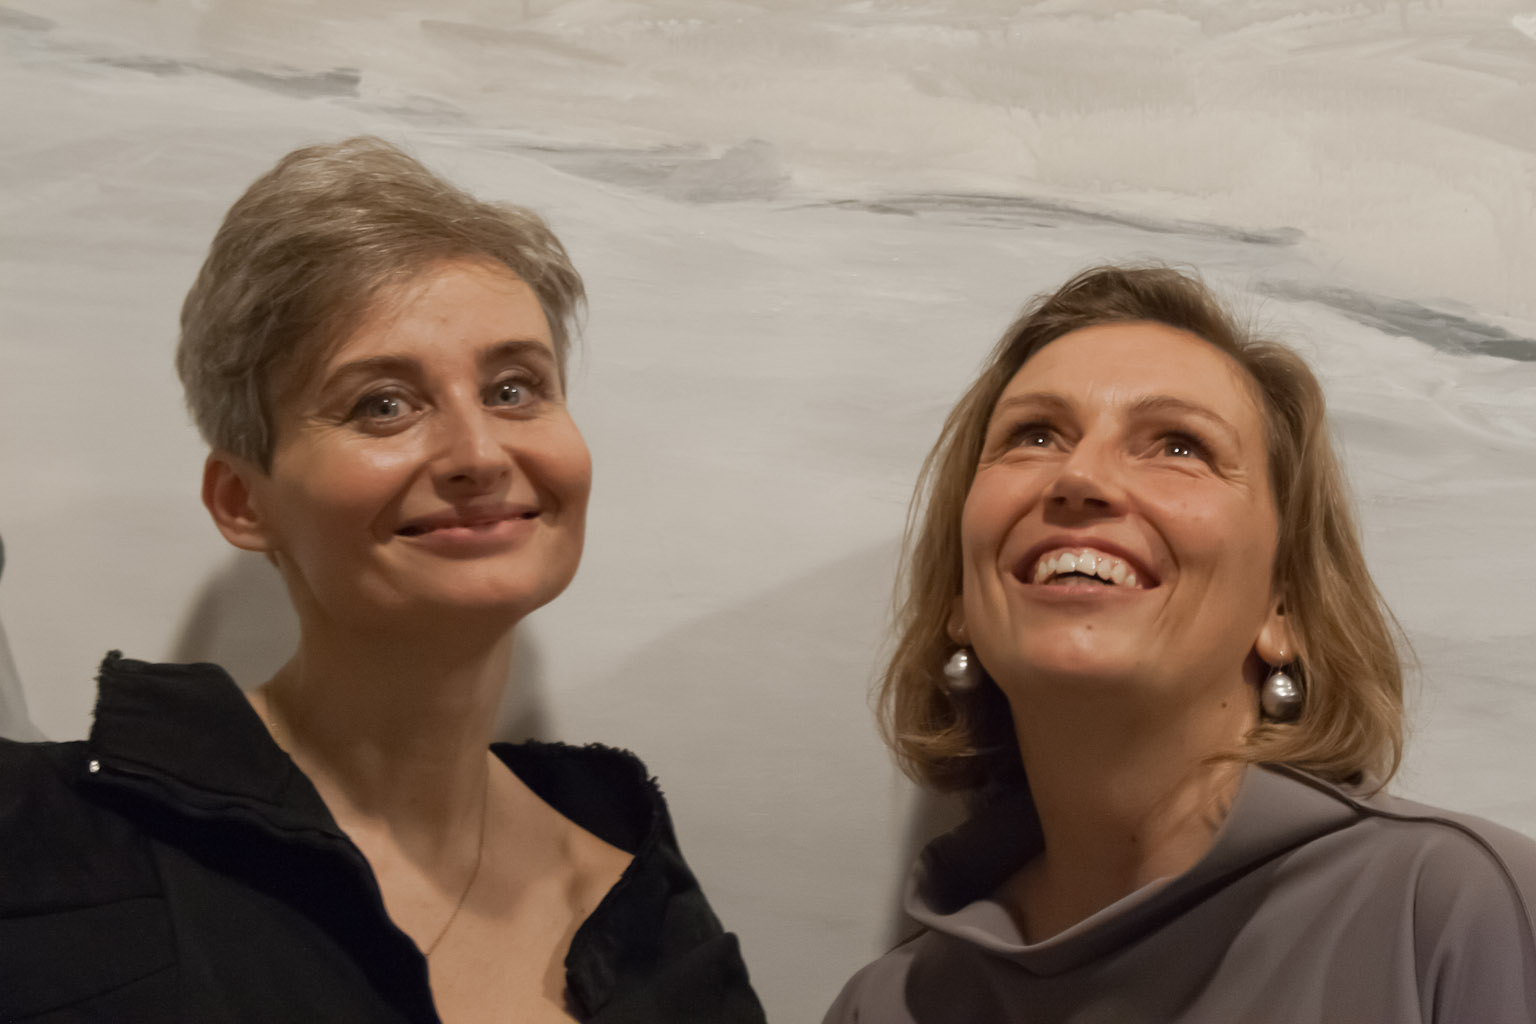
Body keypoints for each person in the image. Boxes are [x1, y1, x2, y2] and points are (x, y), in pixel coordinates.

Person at [0, 138, 765, 1024]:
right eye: (383, 404)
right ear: (243, 502)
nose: (480, 453)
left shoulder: (657, 919)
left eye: (513, 389)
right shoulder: (46, 848)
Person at [824, 265, 1536, 1023]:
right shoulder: (883, 1006)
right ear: (960, 604)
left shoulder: (1453, 916)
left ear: (1285, 605)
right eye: (1034, 436)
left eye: (1179, 446)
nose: (1079, 476)